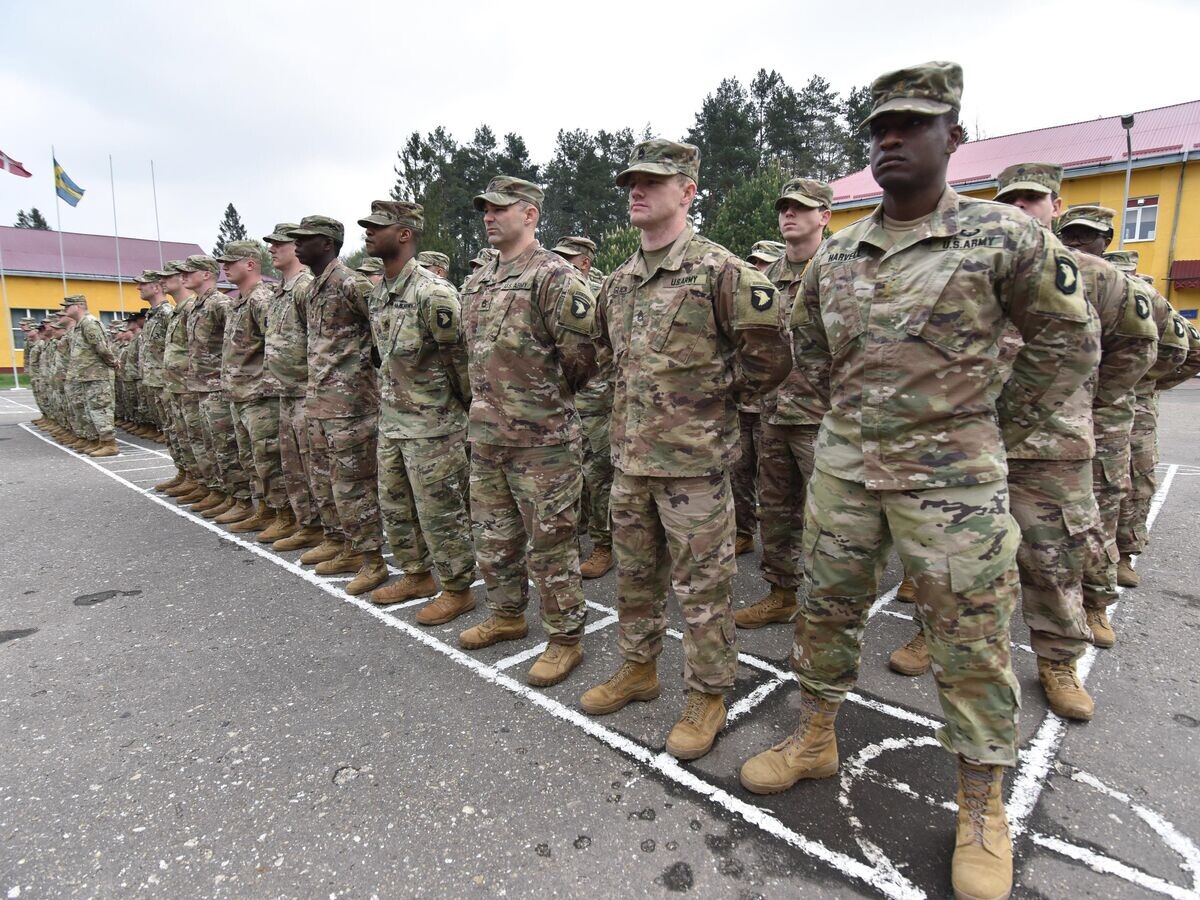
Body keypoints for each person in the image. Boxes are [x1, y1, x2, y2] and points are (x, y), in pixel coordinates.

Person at [736, 63, 1100, 900]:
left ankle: (981, 806)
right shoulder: (839, 256)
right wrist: (854, 426)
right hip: (846, 475)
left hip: (956, 485)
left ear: (954, 138)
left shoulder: (1005, 239)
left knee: (969, 643)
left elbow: (1068, 345)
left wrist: (990, 429)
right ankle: (816, 735)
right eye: (878, 130)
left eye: (911, 125)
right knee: (823, 612)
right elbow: (812, 356)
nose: (890, 140)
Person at [579, 139, 791, 760]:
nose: (636, 192)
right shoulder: (618, 284)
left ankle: (708, 692)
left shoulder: (721, 273)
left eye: (651, 182)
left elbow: (772, 360)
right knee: (637, 581)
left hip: (694, 469)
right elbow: (604, 360)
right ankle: (639, 669)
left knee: (704, 589)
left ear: (688, 191)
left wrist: (711, 406)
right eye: (631, 184)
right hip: (630, 464)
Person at [458, 176, 600, 686]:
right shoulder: (477, 281)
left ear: (531, 214)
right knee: (494, 538)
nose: (489, 217)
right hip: (487, 437)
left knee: (551, 545)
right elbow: (468, 357)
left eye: (500, 209)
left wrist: (541, 401)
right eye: (485, 210)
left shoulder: (555, 278)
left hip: (543, 444)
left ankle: (565, 638)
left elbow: (585, 359)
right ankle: (507, 615)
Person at [1058, 215, 1189, 646]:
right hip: (1038, 418)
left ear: (1106, 240)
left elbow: (1173, 350)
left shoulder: (1133, 290)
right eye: (1070, 234)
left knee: (1103, 507)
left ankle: (1096, 603)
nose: (1077, 241)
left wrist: (1122, 390)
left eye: (1087, 235)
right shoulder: (1041, 278)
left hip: (1105, 417)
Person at [355, 200, 477, 621]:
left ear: (404, 234)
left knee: (440, 511)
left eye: (377, 227)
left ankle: (458, 588)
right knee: (396, 506)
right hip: (393, 421)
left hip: (433, 426)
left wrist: (456, 413)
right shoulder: (379, 294)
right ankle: (416, 573)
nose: (368, 233)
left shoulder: (434, 292)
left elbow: (460, 363)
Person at [735, 177, 833, 629]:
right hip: (774, 414)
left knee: (834, 519)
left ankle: (832, 607)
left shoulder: (839, 269)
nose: (789, 214)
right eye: (784, 207)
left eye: (801, 207)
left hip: (825, 420)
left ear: (824, 217)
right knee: (775, 510)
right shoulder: (765, 279)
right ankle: (782, 592)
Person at [290, 216, 389, 596]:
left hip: (352, 405)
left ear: (328, 243)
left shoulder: (351, 282)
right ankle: (344, 544)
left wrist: (365, 373)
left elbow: (382, 329)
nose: (298, 245)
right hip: (321, 403)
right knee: (326, 480)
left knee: (355, 485)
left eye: (306, 239)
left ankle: (372, 560)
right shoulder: (312, 288)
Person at [216, 240, 292, 539]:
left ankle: (284, 515)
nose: (225, 267)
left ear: (250, 264)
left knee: (268, 459)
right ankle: (264, 509)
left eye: (230, 262)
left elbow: (276, 346)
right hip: (240, 394)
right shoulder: (239, 300)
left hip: (260, 395)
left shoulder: (262, 299)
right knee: (251, 459)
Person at [551, 235, 615, 579]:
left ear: (585, 261)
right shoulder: (556, 289)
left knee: (598, 476)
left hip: (597, 400)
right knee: (570, 476)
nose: (559, 261)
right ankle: (574, 538)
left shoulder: (601, 292)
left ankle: (604, 545)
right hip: (565, 400)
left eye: (567, 257)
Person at [262, 223, 323, 552]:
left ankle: (329, 531)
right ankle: (307, 523)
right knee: (292, 466)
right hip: (284, 392)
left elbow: (319, 341)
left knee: (313, 466)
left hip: (306, 392)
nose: (272, 249)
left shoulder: (305, 288)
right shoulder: (279, 292)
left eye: (279, 244)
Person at [180, 255, 254, 523]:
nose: (184, 276)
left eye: (191, 271)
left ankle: (242, 498)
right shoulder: (198, 305)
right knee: (211, 443)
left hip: (218, 386)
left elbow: (235, 342)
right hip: (202, 384)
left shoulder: (220, 303)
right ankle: (225, 492)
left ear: (206, 274)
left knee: (227, 445)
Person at [61, 295, 120, 457]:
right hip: (87, 375)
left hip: (98, 374)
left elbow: (101, 347)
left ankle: (110, 444)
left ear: (79, 306)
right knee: (92, 409)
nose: (65, 310)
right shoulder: (80, 325)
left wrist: (113, 362)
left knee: (101, 408)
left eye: (68, 306)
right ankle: (100, 441)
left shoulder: (89, 323)